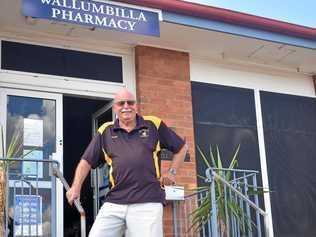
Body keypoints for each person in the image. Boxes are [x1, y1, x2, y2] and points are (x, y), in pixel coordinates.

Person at [66, 88, 188, 237]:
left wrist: (172, 172)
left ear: (136, 105)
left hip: (147, 202)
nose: (126, 106)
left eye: (130, 102)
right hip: (115, 201)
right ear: (114, 108)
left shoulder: (153, 124)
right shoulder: (105, 131)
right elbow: (86, 161)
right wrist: (76, 186)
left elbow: (181, 148)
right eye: (121, 103)